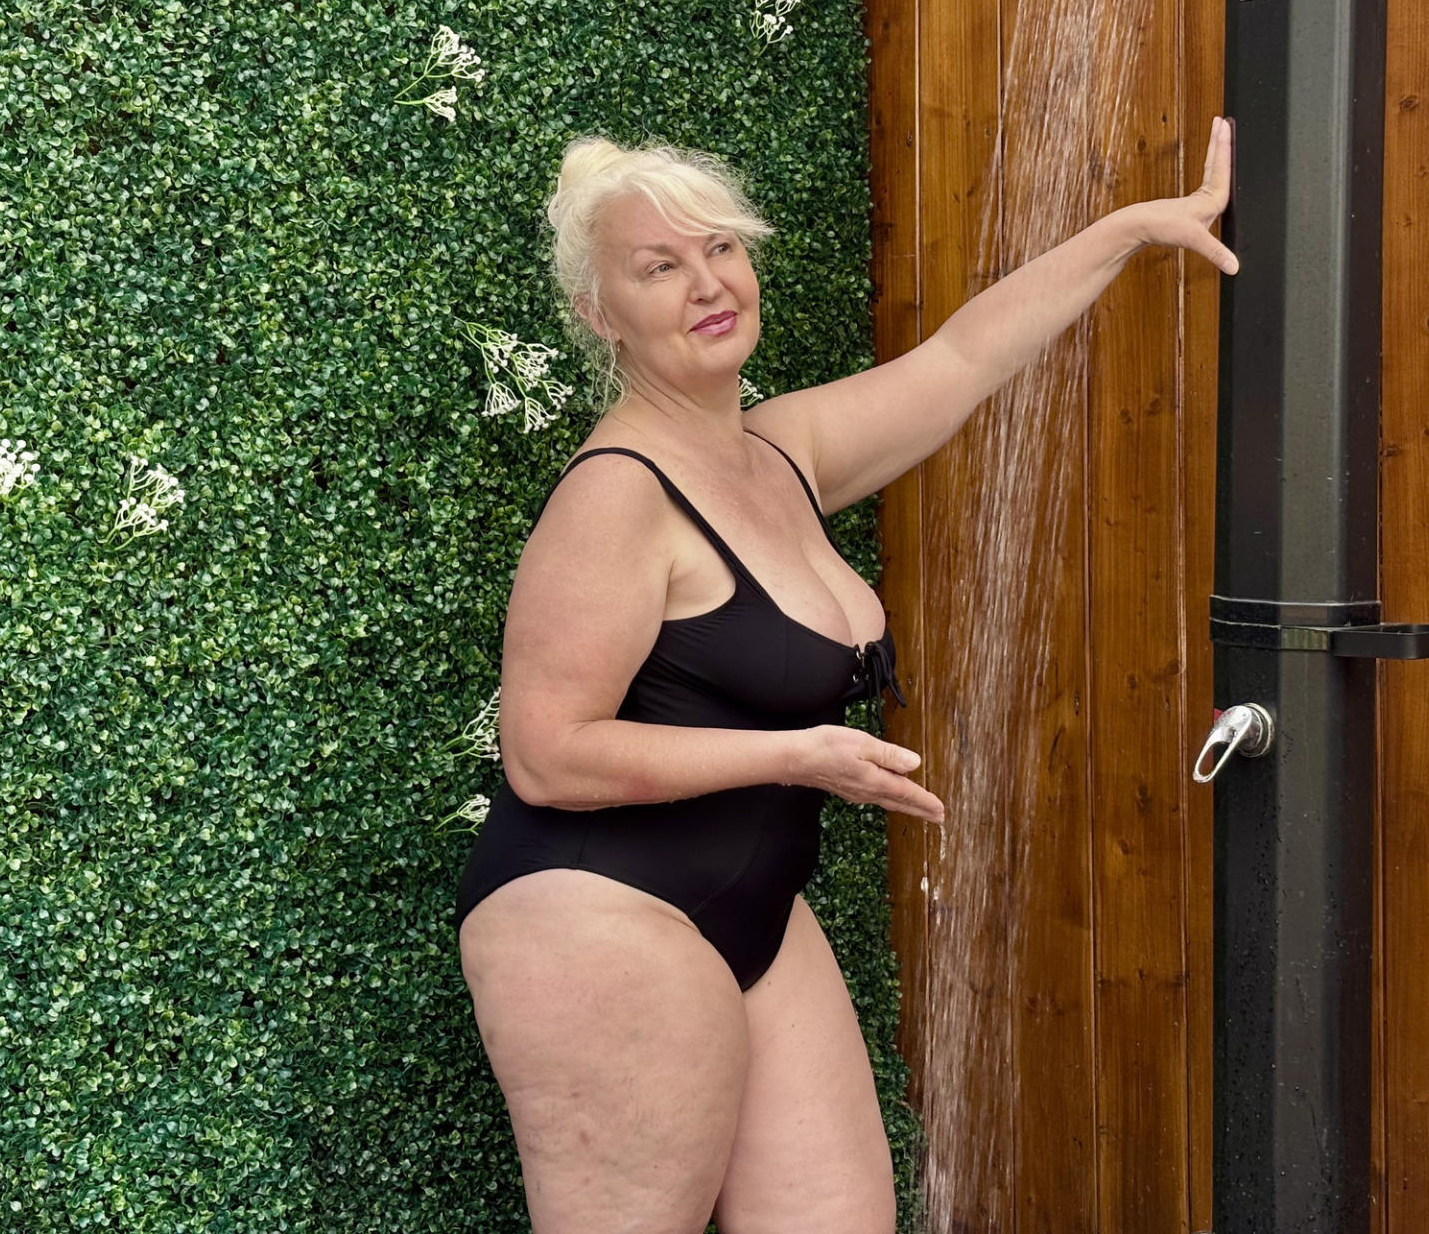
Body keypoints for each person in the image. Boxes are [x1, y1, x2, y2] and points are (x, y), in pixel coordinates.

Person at [454, 123, 1237, 1233]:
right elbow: (545, 754)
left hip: (756, 907)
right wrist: (796, 755)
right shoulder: (614, 495)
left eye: (720, 248)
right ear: (599, 314)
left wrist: (1132, 230)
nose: (707, 284)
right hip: (597, 912)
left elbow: (962, 361)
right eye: (659, 267)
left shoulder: (780, 452)